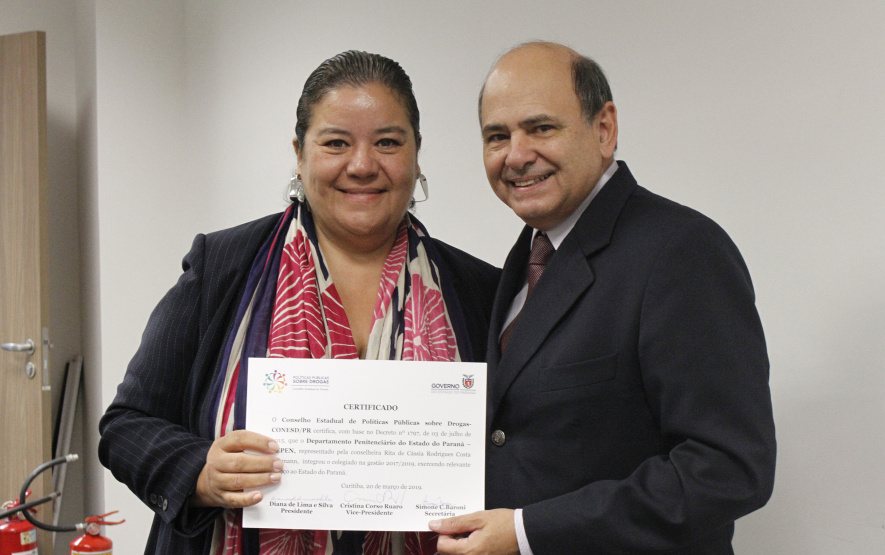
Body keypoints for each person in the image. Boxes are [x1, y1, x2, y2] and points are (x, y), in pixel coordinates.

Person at [98, 50, 499, 555]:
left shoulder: (480, 289)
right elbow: (125, 426)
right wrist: (200, 471)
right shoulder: (222, 267)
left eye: (388, 143)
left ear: (417, 153)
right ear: (300, 152)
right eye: (336, 142)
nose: (362, 165)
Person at [430, 41, 776, 554]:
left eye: (541, 127)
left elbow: (728, 466)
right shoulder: (526, 261)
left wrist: (528, 533)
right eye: (497, 136)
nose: (517, 154)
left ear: (604, 128)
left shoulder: (680, 251)